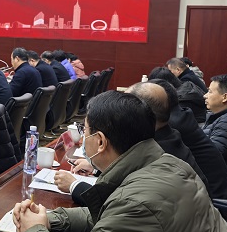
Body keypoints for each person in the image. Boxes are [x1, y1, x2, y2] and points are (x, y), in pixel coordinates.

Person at [13, 91, 227, 232]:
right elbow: (110, 217)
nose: (83, 139)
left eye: (85, 131)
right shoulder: (169, 164)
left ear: (100, 141)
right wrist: (51, 219)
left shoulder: (140, 203)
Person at [56, 82, 209, 202]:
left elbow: (117, 203)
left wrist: (74, 185)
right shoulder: (165, 135)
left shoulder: (161, 150)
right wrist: (98, 167)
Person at [150, 78, 227, 199]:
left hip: (212, 199)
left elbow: (220, 149)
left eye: (210, 91)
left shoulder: (171, 126)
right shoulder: (181, 117)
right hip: (202, 192)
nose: (204, 95)